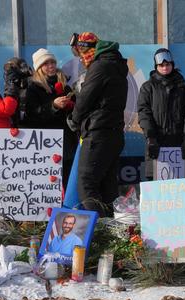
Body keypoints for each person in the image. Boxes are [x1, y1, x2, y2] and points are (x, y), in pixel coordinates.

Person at [69, 32, 128, 217]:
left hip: (97, 133)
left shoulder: (99, 66)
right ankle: (112, 229)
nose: (81, 59)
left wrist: (74, 120)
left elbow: (86, 98)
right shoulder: (116, 65)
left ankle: (97, 232)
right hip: (114, 133)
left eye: (81, 53)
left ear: (90, 50)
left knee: (86, 184)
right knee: (107, 185)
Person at [137, 48, 185, 174]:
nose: (165, 67)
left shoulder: (183, 87)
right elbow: (144, 113)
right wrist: (151, 137)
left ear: (172, 65)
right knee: (156, 188)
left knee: (182, 186)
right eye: (161, 65)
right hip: (156, 145)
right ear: (156, 66)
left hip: (180, 145)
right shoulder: (148, 87)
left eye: (168, 64)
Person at [24, 48, 78, 184]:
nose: (51, 66)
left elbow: (74, 109)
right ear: (39, 67)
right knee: (50, 180)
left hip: (67, 139)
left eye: (52, 62)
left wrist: (72, 105)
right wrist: (53, 106)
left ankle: (67, 205)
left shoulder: (65, 85)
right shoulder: (33, 87)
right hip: (46, 142)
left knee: (68, 175)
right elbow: (32, 115)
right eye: (46, 63)